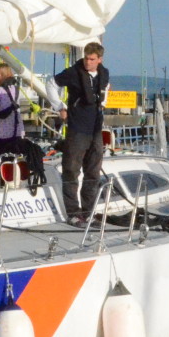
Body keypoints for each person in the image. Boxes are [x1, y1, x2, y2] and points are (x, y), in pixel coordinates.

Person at [53, 42, 109, 225]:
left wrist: (104, 102)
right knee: (71, 170)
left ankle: (88, 212)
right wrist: (60, 107)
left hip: (95, 128)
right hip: (77, 128)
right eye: (86, 58)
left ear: (99, 60)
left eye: (92, 59)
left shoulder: (104, 73)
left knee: (93, 172)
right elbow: (51, 84)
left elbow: (106, 87)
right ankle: (73, 213)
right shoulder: (73, 72)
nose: (87, 62)